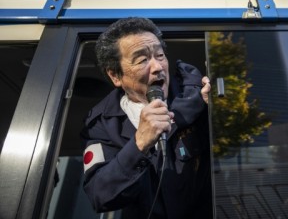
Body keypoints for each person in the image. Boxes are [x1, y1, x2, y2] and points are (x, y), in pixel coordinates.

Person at [81, 17, 212, 218]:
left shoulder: (197, 95)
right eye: (142, 60)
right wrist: (139, 144)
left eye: (159, 55)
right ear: (116, 76)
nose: (157, 67)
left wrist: (216, 109)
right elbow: (100, 195)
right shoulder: (103, 125)